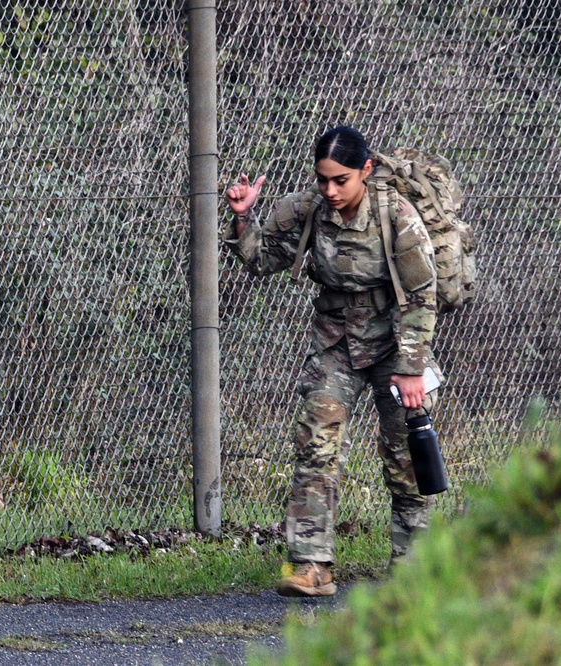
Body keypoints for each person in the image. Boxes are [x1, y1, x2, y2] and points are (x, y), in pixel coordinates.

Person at [223, 125, 441, 597]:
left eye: (340, 179)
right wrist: (243, 219)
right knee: (315, 444)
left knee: (405, 455)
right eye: (323, 179)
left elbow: (422, 295)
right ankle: (310, 566)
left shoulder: (395, 215)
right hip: (336, 342)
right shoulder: (308, 211)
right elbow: (262, 260)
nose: (330, 189)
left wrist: (410, 369)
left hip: (394, 344)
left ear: (365, 170)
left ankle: (413, 567)